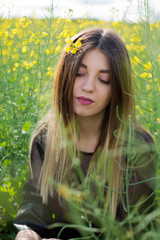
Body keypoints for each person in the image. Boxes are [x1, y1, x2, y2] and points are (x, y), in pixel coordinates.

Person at [14, 28, 157, 240]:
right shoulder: (45, 139)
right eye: (79, 74)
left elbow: (137, 232)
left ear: (118, 88)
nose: (88, 87)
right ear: (65, 75)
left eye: (104, 79)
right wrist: (27, 234)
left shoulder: (138, 148)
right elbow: (33, 208)